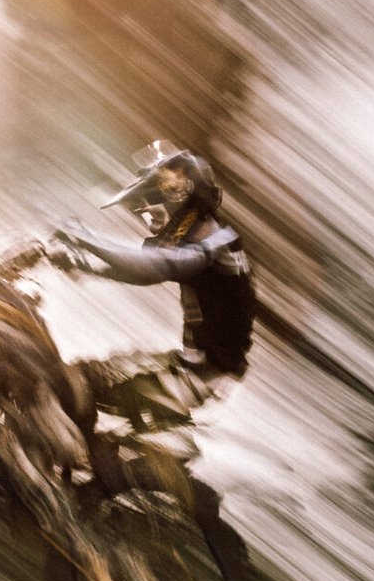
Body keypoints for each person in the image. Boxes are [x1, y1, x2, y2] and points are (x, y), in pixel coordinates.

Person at [48, 142, 256, 443]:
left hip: (199, 376)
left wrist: (85, 237)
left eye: (148, 204)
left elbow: (154, 267)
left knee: (76, 383)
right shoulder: (203, 238)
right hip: (191, 365)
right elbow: (143, 270)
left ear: (177, 196)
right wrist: (85, 266)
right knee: (83, 375)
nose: (145, 215)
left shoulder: (215, 243)